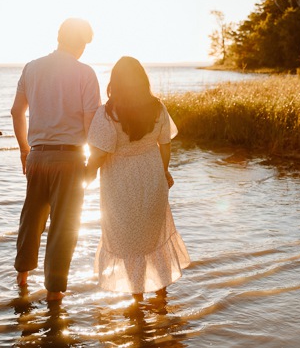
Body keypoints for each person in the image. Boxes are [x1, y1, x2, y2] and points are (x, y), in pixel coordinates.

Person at [11, 17, 101, 301]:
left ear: (60, 37)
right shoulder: (85, 73)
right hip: (70, 158)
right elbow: (91, 123)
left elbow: (16, 112)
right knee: (64, 228)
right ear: (81, 44)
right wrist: (91, 163)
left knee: (31, 219)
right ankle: (54, 296)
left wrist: (25, 150)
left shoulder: (32, 68)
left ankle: (22, 280)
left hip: (37, 155)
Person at [86, 56, 190, 298]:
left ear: (115, 82)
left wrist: (83, 176)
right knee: (154, 239)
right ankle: (161, 298)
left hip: (120, 184)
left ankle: (137, 301)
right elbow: (165, 145)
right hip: (152, 178)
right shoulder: (157, 107)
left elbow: (100, 154)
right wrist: (163, 172)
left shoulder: (108, 113)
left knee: (129, 242)